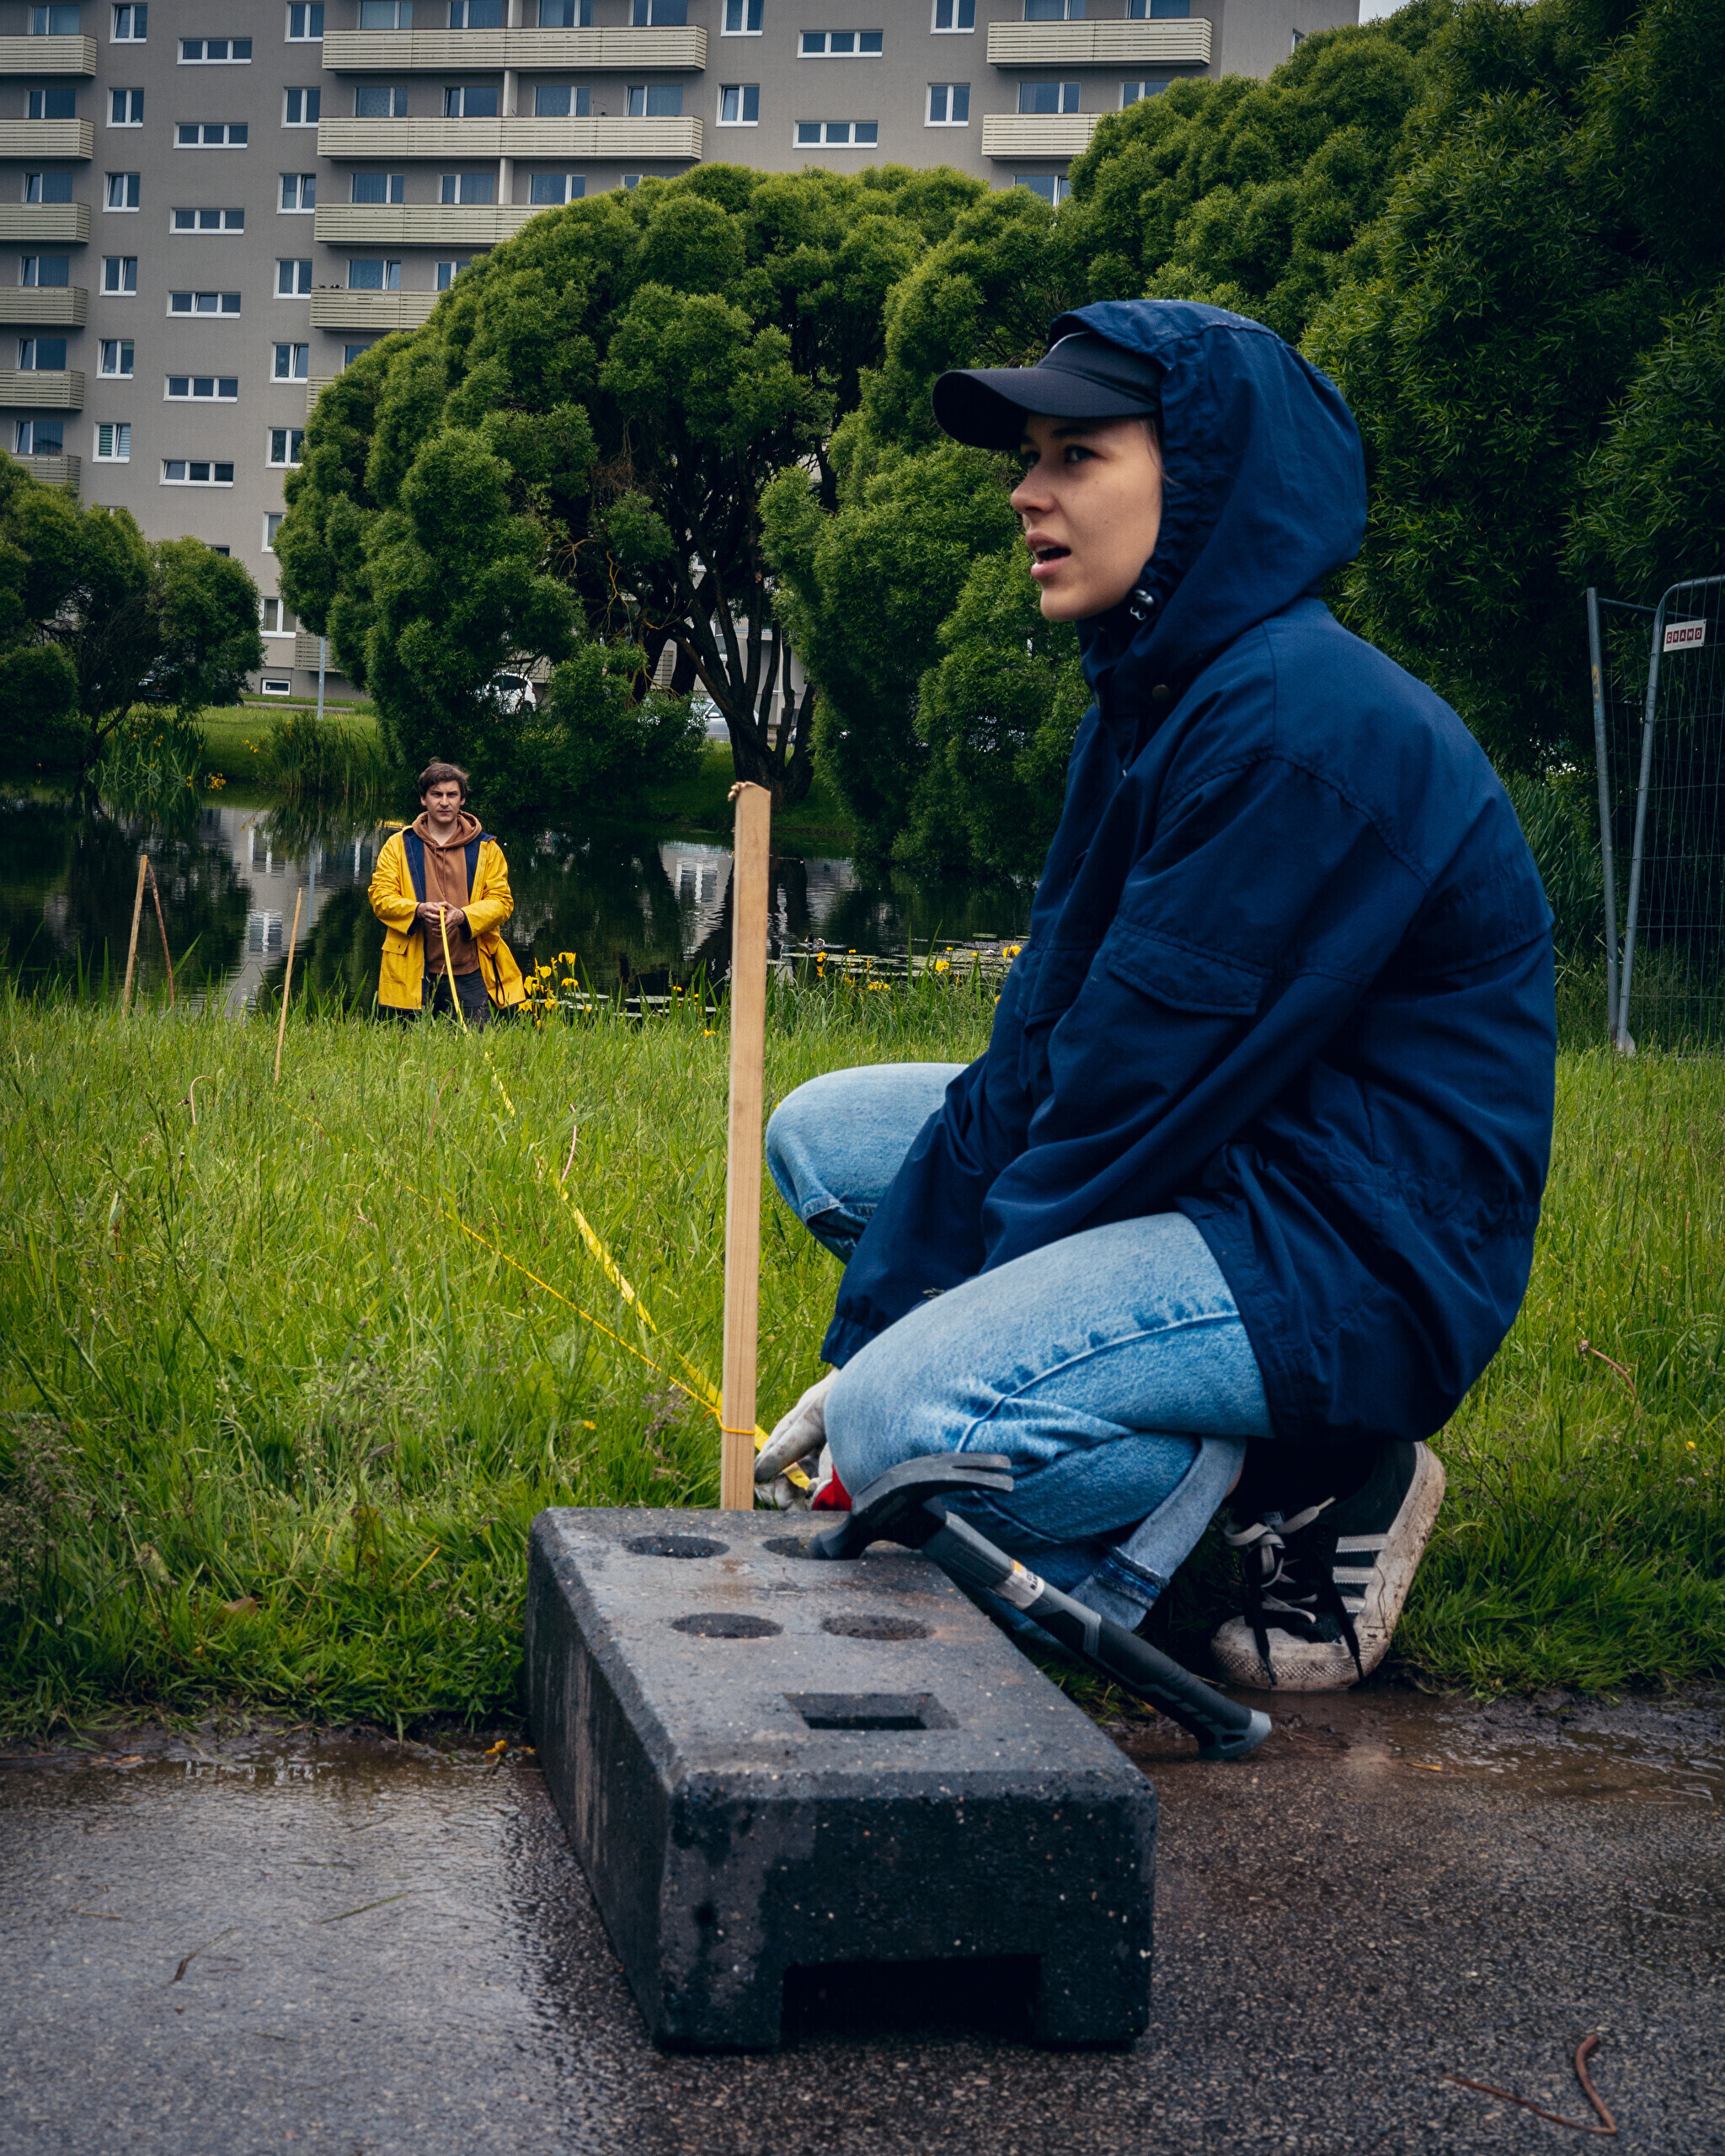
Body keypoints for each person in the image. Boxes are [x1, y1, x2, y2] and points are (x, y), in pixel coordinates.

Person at [756, 302, 1556, 1693]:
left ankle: (1307, 1476)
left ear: (1205, 483)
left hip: (1355, 1241)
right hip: (1239, 1159)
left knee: (906, 1431)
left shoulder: (1298, 725)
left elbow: (1125, 1098)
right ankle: (1210, 1447)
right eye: (1029, 457)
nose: (1027, 491)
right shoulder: (1156, 697)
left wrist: (904, 1375)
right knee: (824, 1140)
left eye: (1076, 456)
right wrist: (882, 1318)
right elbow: (1044, 1043)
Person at [368, 760, 525, 1027]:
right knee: (406, 1049)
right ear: (423, 799)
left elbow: (501, 903)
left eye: (452, 795)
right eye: (436, 794)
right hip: (411, 972)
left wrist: (464, 916)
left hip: (470, 971)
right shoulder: (398, 846)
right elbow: (380, 897)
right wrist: (417, 910)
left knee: (475, 1047)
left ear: (462, 800)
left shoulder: (487, 849)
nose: (444, 802)